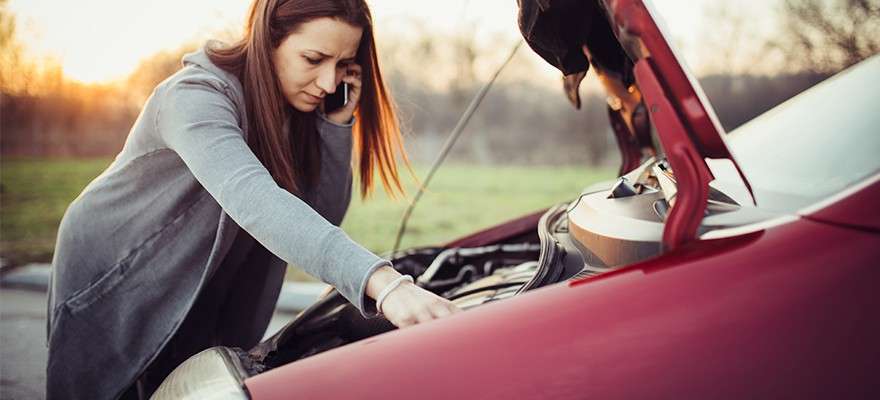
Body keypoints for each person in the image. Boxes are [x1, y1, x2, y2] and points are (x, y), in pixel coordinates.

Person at [45, 0, 461, 398]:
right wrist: (385, 285)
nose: (329, 83)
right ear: (268, 40)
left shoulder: (295, 110)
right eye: (314, 59)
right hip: (119, 271)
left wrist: (334, 127)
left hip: (201, 277)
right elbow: (255, 202)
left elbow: (320, 216)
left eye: (342, 65)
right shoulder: (194, 97)